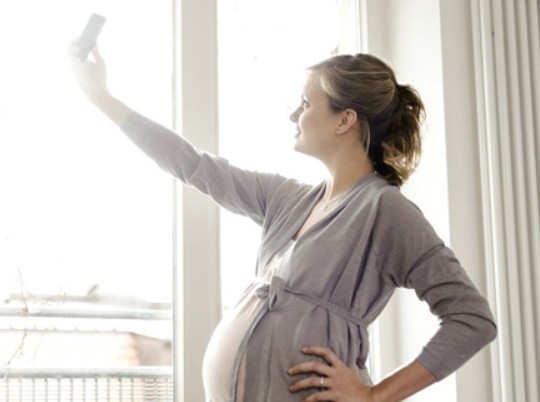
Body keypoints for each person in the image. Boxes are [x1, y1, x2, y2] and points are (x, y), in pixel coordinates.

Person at [70, 46, 497, 402]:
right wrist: (101, 97)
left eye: (306, 103)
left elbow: (472, 319)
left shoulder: (385, 210)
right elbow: (190, 164)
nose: (294, 114)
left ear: (345, 120)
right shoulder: (286, 198)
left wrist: (373, 396)